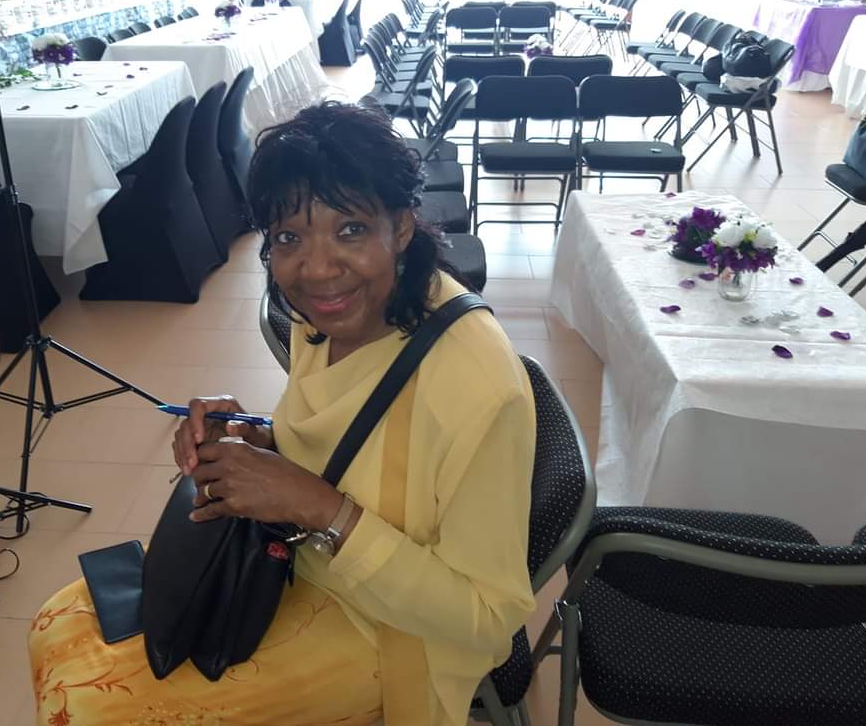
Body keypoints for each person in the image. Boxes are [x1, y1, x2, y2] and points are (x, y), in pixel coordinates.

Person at [28, 102, 537, 726]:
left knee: (84, 708)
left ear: (402, 227)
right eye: (289, 238)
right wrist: (258, 436)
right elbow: (351, 432)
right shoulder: (324, 314)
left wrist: (318, 507)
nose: (316, 270)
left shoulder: (478, 386)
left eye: (350, 229)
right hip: (290, 559)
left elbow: (490, 620)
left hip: (395, 633)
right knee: (55, 625)